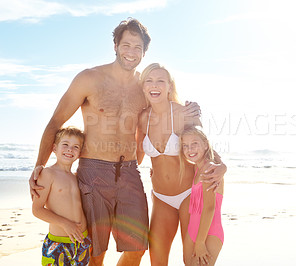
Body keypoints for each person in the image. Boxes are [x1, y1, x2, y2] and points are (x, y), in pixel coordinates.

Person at [29, 18, 199, 266]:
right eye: (126, 45)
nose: (131, 52)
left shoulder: (143, 85)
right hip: (93, 173)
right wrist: (39, 168)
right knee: (95, 253)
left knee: (137, 248)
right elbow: (55, 123)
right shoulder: (89, 79)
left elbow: (162, 111)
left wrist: (189, 110)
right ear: (115, 45)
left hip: (129, 173)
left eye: (137, 47)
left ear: (144, 52)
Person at [136, 63, 226, 265]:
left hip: (188, 195)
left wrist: (223, 166)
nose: (155, 85)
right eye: (149, 80)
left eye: (160, 81)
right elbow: (137, 156)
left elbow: (204, 147)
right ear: (143, 87)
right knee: (157, 261)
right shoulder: (143, 119)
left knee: (192, 260)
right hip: (161, 198)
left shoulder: (184, 113)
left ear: (169, 86)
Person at [32, 126, 91, 266]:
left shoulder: (76, 177)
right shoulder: (47, 174)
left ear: (80, 153)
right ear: (54, 148)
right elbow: (37, 209)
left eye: (75, 147)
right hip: (58, 244)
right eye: (65, 144)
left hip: (81, 242)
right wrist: (66, 224)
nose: (70, 149)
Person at [180, 127, 224, 266]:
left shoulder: (209, 169)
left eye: (194, 144)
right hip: (193, 228)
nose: (190, 149)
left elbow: (210, 208)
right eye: (185, 146)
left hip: (209, 231)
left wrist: (200, 242)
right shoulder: (197, 167)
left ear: (205, 144)